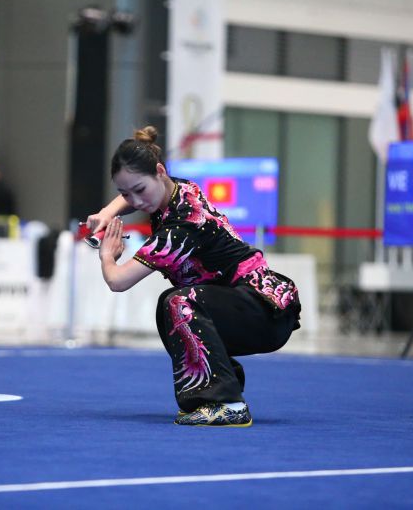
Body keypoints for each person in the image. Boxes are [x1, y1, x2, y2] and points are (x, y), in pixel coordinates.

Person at [87, 126, 301, 427]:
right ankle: (224, 379)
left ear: (160, 172)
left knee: (179, 304)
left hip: (264, 312)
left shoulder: (182, 227)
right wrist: (108, 211)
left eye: (139, 190)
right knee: (170, 306)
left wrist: (108, 255)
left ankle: (227, 404)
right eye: (125, 193)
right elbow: (133, 192)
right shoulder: (179, 190)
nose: (135, 202)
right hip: (243, 305)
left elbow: (118, 281)